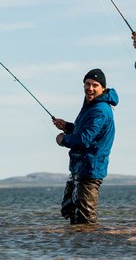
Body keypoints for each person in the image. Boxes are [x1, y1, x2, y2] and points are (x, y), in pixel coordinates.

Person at [52, 68, 118, 225]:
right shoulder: (90, 105)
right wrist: (67, 127)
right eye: (87, 84)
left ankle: (90, 247)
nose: (90, 88)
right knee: (69, 210)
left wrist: (62, 140)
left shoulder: (100, 109)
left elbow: (83, 140)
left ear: (102, 88)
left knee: (85, 220)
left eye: (95, 85)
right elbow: (84, 131)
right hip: (79, 167)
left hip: (90, 169)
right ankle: (77, 247)